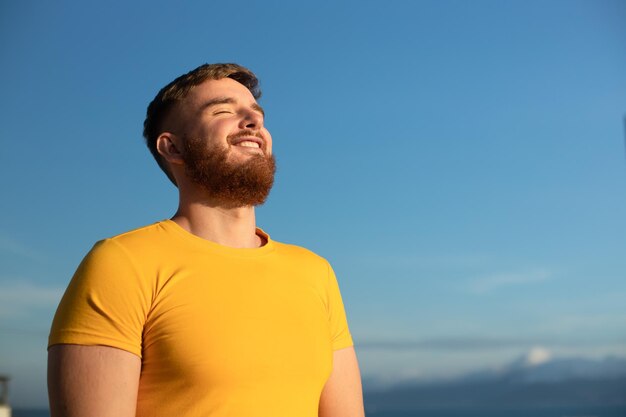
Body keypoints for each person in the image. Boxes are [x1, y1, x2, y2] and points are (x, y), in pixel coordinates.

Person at [47, 63, 365, 417]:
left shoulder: (315, 272)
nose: (254, 122)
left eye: (257, 114)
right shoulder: (121, 262)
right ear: (173, 148)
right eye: (224, 111)